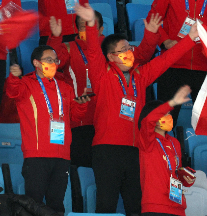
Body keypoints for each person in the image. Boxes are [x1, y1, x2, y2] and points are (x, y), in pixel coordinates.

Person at [75, 3, 198, 216]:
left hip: (135, 150)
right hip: (107, 150)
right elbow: (93, 51)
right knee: (106, 204)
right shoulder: (102, 76)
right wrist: (91, 23)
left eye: (129, 49)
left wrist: (190, 38)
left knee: (135, 206)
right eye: (122, 51)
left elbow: (166, 59)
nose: (128, 53)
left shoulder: (141, 76)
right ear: (111, 57)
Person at [46, 11, 164, 167]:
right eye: (83, 26)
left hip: (109, 120)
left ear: (101, 30)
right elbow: (51, 65)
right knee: (83, 168)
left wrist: (150, 34)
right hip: (81, 120)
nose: (88, 30)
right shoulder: (68, 48)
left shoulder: (114, 47)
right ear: (77, 29)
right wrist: (55, 38)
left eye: (92, 26)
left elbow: (141, 55)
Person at [6, 47, 90, 216]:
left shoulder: (65, 88)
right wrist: (13, 77)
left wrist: (81, 104)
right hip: (36, 154)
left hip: (62, 155)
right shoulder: (26, 84)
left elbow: (75, 118)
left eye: (55, 59)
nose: (53, 62)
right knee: (33, 203)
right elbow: (12, 92)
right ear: (36, 63)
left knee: (56, 204)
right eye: (48, 59)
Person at [137, 85, 197, 216]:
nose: (168, 117)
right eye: (164, 114)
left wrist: (186, 177)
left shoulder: (175, 143)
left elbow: (174, 172)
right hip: (155, 207)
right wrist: (172, 102)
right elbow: (147, 121)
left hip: (177, 206)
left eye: (169, 114)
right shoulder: (146, 140)